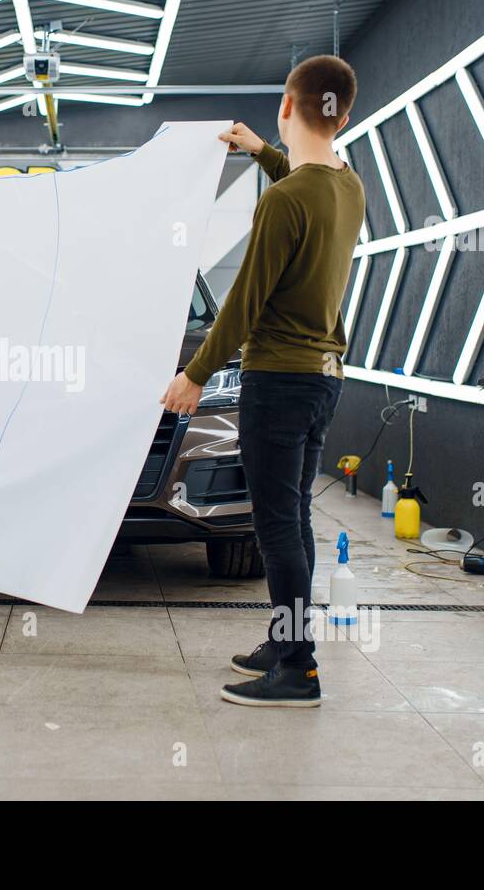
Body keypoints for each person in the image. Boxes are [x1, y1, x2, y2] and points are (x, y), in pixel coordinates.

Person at [160, 56, 365, 706]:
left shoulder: (283, 203)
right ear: (344, 116)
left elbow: (244, 302)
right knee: (293, 515)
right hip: (323, 380)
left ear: (285, 105)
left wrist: (195, 374)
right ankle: (286, 639)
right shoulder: (347, 185)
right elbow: (307, 181)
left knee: (274, 525)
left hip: (277, 380)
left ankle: (298, 668)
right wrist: (261, 153)